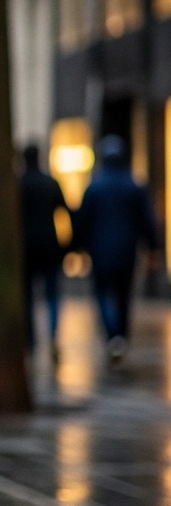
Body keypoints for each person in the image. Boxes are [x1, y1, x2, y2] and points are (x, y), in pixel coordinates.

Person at [74, 136, 157, 366]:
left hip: (100, 251)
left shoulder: (94, 187)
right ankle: (120, 334)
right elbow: (147, 220)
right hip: (127, 251)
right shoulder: (134, 185)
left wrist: (78, 247)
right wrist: (152, 246)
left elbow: (82, 219)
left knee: (103, 293)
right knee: (124, 294)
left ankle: (113, 334)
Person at [19, 145, 68, 359]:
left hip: (26, 247)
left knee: (28, 296)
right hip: (49, 245)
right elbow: (66, 212)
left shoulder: (18, 184)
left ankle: (31, 341)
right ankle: (53, 334)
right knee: (52, 293)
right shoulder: (50, 183)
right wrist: (68, 244)